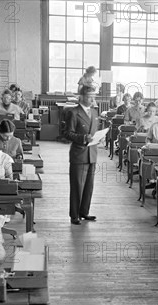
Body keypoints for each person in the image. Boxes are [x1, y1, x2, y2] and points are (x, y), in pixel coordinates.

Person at [63, 85, 99, 224]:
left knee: (89, 185)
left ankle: (84, 212)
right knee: (77, 185)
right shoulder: (73, 112)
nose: (92, 99)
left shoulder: (95, 113)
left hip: (92, 153)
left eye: (94, 97)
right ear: (82, 97)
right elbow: (67, 133)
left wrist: (98, 138)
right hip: (79, 153)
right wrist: (83, 138)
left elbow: (94, 131)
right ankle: (74, 215)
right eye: (90, 97)